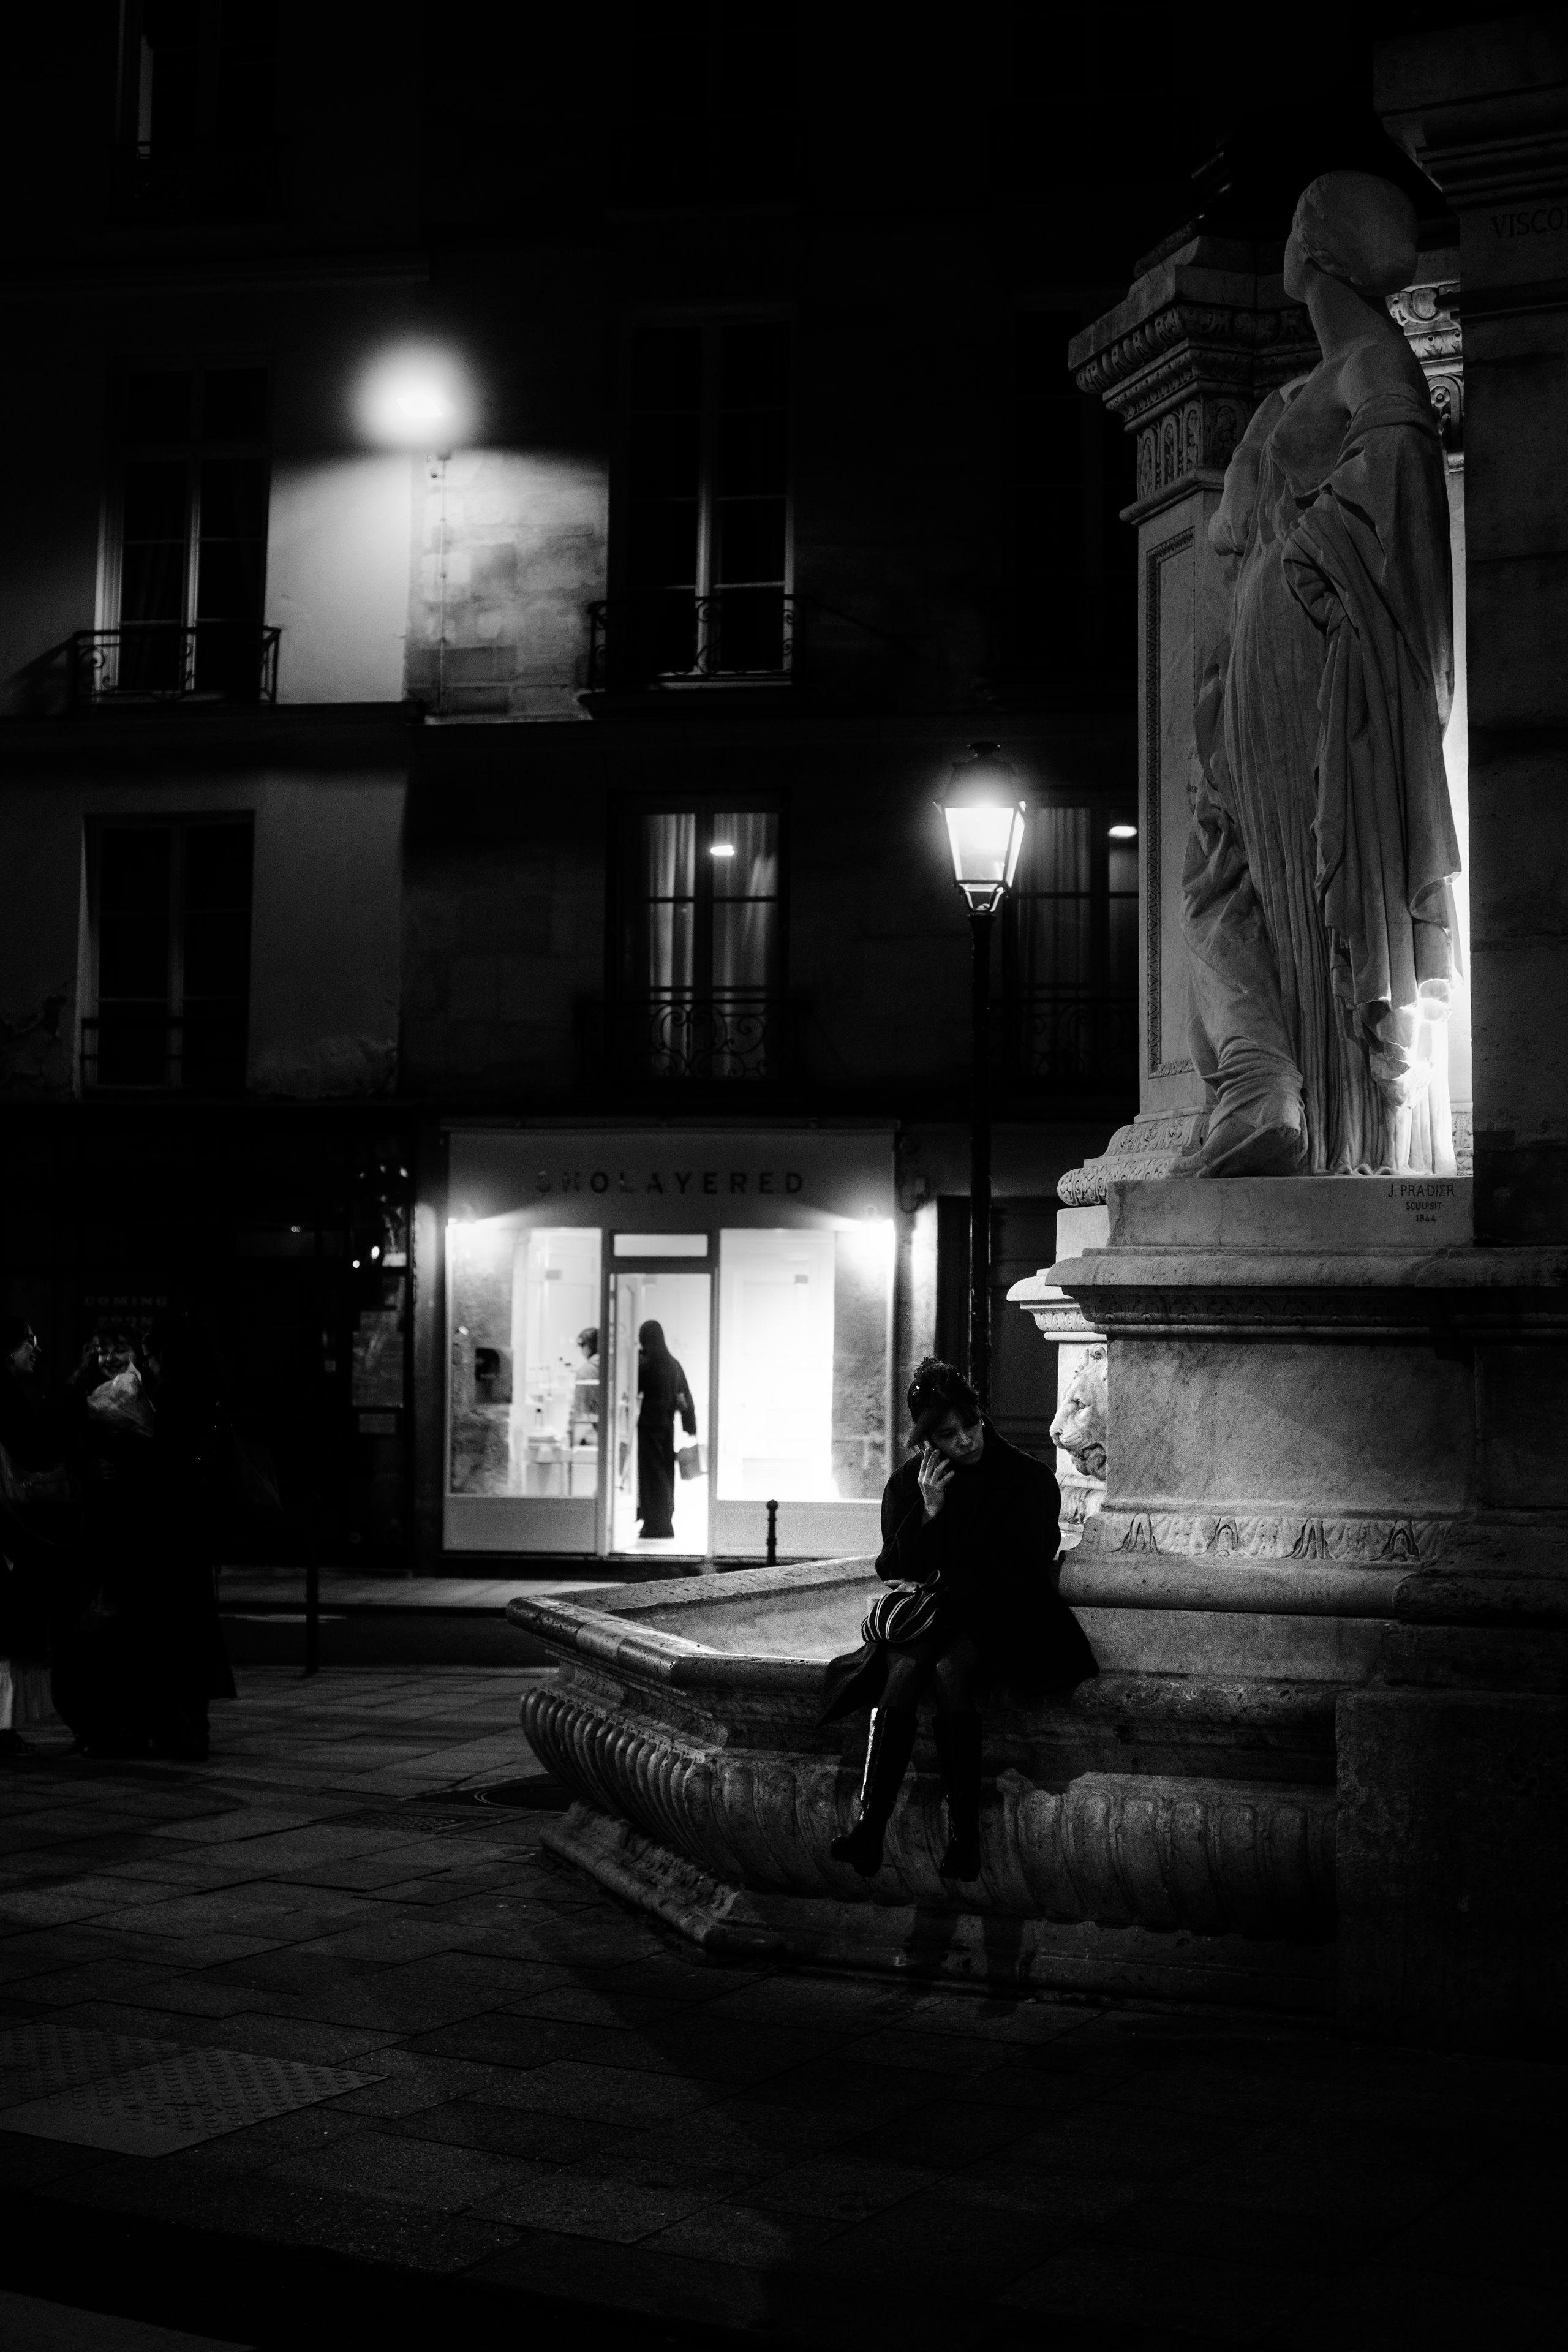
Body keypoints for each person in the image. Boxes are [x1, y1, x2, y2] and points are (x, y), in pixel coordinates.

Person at [1179, 171, 1460, 1177]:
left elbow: (1405, 512)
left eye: (1302, 219)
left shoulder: (1376, 364)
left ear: (1328, 249)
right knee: (1229, 874)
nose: (1288, 233)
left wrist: (1308, 547)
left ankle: (1328, 1120)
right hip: (1259, 664)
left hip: (1321, 651)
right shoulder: (1291, 394)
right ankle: (1266, 1081)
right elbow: (1226, 538)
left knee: (1307, 872)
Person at [821, 1357, 1096, 1882]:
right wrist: (929, 1511)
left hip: (1008, 1615)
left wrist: (951, 1577)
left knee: (949, 1671)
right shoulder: (913, 1484)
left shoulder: (1026, 1477)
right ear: (928, 1439)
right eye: (949, 1435)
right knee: (901, 1672)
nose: (966, 1441)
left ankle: (963, 1836)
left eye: (970, 1426)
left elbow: (1027, 1567)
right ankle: (868, 1830)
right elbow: (895, 1568)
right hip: (943, 1615)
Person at [52, 1312, 235, 1760]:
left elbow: (166, 1459)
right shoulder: (199, 1389)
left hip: (164, 1531)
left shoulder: (173, 1395)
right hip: (177, 1530)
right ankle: (173, 1728)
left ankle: (166, 1730)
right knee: (176, 1635)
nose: (142, 1362)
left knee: (162, 1633)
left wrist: (134, 1446)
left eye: (145, 1353)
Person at [636, 1319, 695, 1540]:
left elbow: (634, 1387)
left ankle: (653, 1523)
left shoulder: (646, 1364)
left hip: (648, 1427)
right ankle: (665, 1520)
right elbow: (686, 1396)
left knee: (650, 1477)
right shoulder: (673, 1364)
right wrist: (690, 1427)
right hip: (666, 1427)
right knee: (665, 1475)